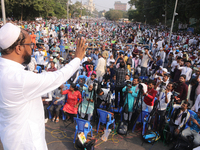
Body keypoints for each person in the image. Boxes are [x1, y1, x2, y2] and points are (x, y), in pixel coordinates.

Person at [0, 23, 87, 150]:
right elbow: (57, 77)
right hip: (26, 144)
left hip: (10, 140)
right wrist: (77, 59)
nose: (33, 49)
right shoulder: (19, 79)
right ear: (18, 48)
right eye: (30, 45)